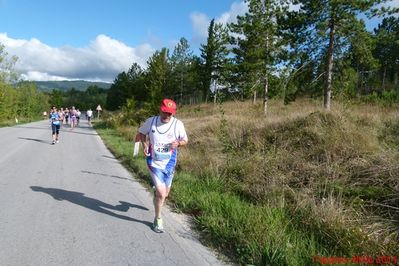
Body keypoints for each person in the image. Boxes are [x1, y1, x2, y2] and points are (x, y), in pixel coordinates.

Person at [137, 98, 188, 233]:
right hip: (153, 161)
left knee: (165, 194)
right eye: (165, 112)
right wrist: (145, 144)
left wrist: (178, 144)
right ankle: (158, 218)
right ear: (160, 109)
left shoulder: (178, 125)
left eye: (170, 114)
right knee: (161, 193)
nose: (167, 116)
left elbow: (185, 140)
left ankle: (157, 193)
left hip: (170, 163)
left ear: (174, 113)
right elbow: (141, 133)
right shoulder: (151, 121)